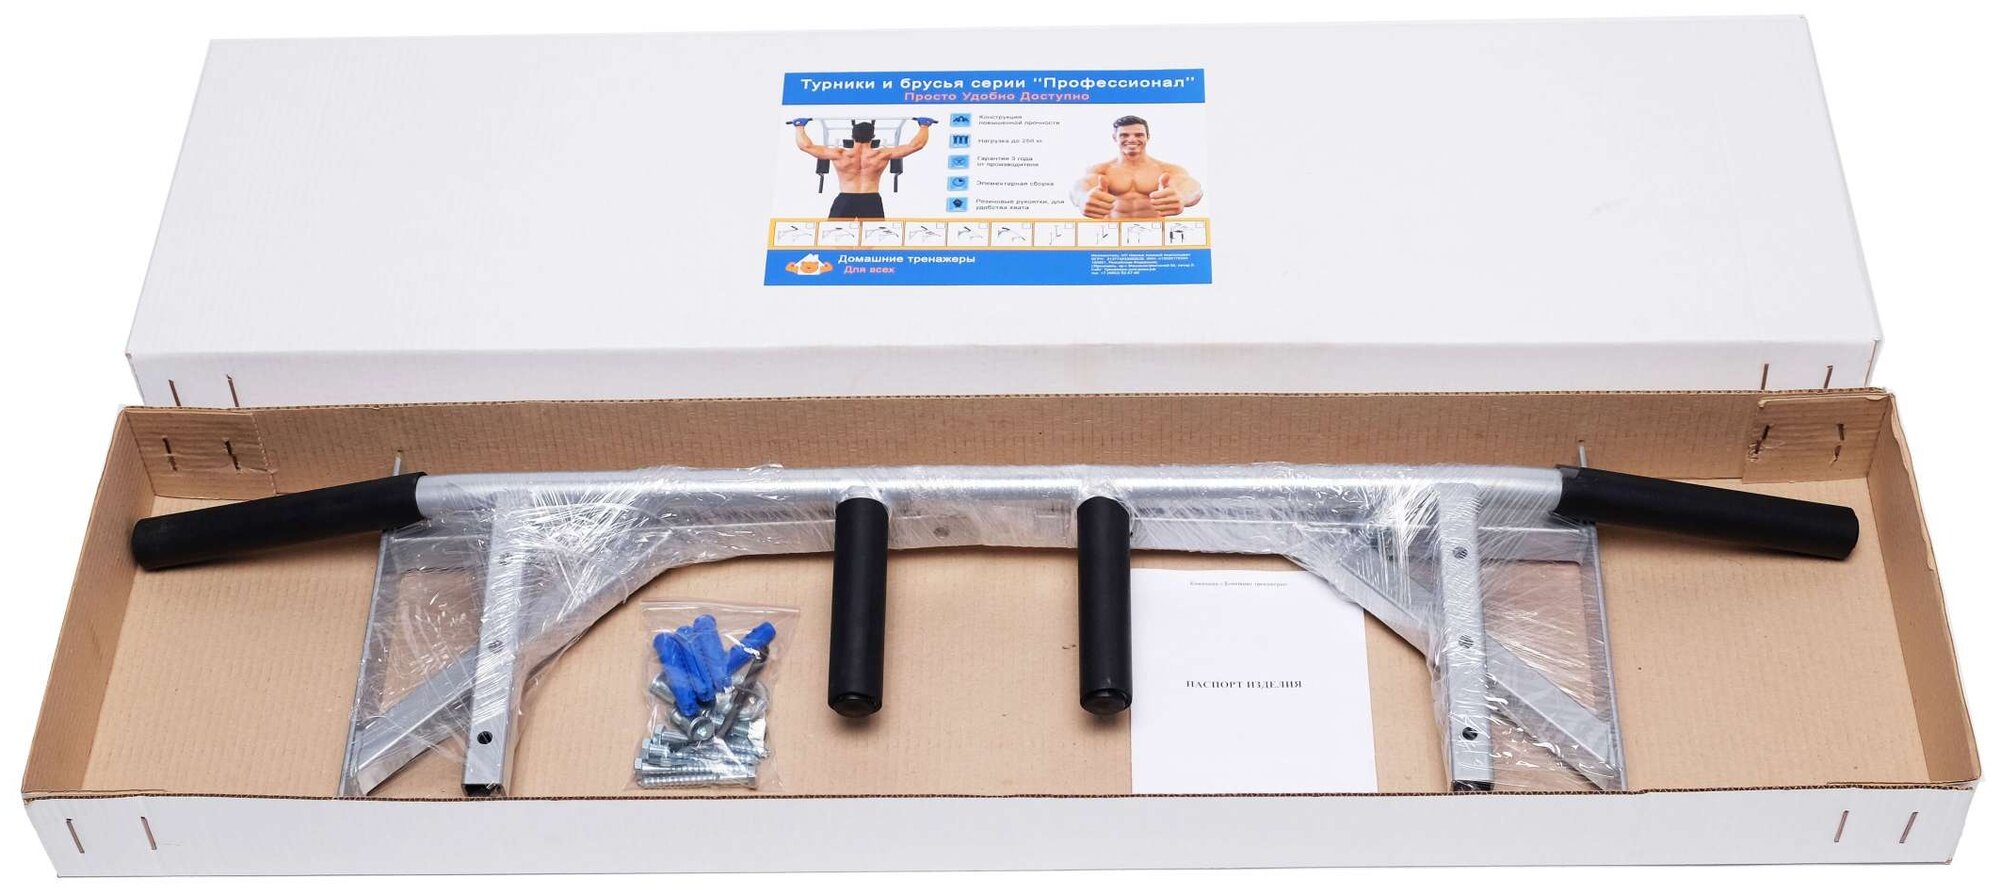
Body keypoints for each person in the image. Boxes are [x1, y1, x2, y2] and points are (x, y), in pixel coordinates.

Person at [791, 118, 934, 219]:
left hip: (845, 199)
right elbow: (916, 145)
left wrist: (799, 126)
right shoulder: (881, 155)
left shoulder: (839, 154)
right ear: (873, 137)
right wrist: (924, 126)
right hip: (871, 200)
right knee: (870, 241)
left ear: (852, 136)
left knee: (836, 238)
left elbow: (805, 146)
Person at [1070, 115, 1204, 219]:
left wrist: (1183, 197)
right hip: (1114, 235)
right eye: (1124, 135)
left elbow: (1193, 188)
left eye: (1139, 135)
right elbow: (1079, 188)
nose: (1132, 139)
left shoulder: (1166, 170)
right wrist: (1082, 199)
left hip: (1155, 235)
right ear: (1114, 138)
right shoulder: (1102, 170)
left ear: (1148, 137)